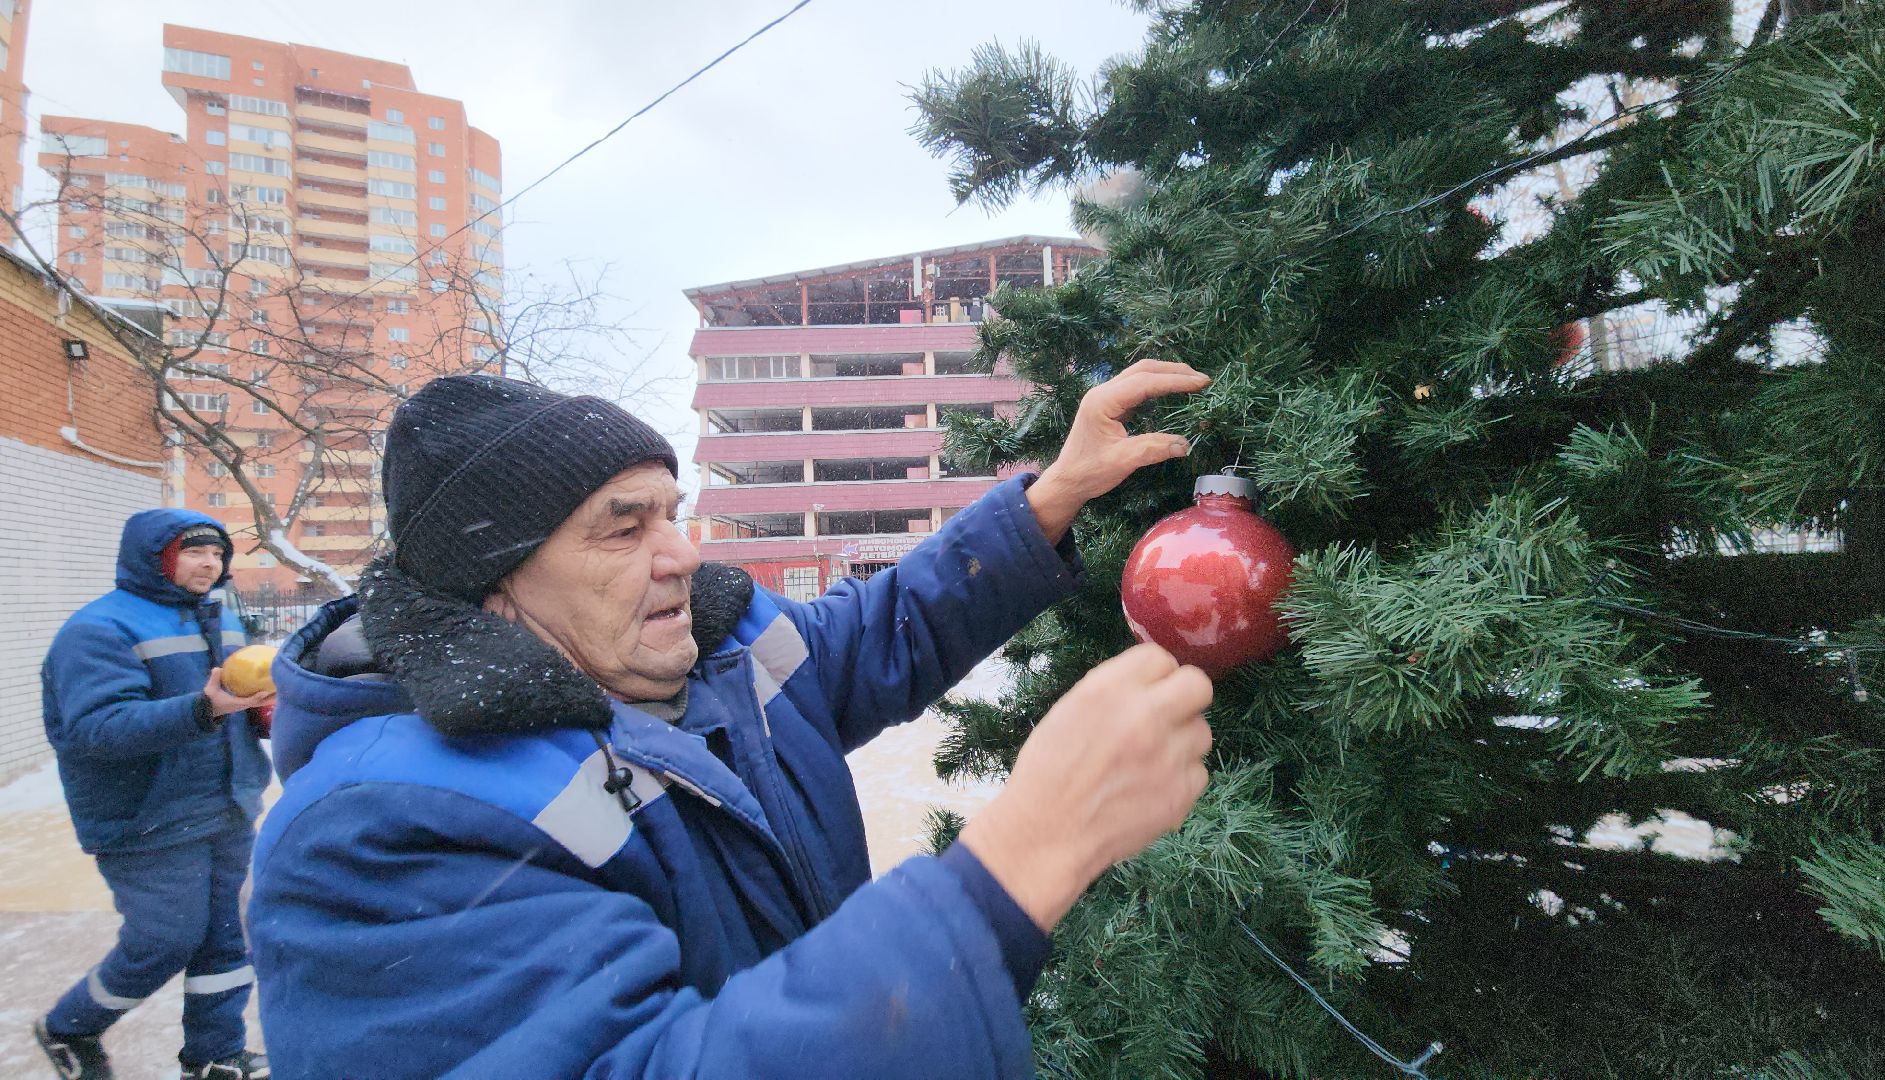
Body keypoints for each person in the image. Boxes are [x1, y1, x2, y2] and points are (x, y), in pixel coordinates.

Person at [248, 366, 1215, 1078]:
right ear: (488, 583)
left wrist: (1056, 494)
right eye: (623, 529)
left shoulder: (721, 652)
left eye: (673, 512)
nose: (681, 555)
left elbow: (877, 632)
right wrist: (1020, 863)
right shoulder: (380, 835)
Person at [34, 511, 274, 1080]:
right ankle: (70, 1027)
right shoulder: (98, 630)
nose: (209, 563)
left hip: (226, 805)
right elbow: (97, 729)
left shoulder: (222, 618)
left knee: (225, 942)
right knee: (164, 941)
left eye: (217, 553)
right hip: (146, 815)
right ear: (155, 557)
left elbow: (234, 707)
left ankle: (215, 1054)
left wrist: (263, 713)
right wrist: (202, 709)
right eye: (193, 552)